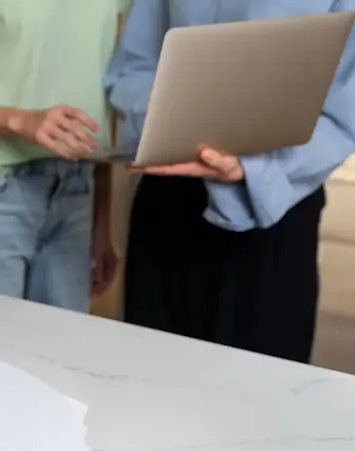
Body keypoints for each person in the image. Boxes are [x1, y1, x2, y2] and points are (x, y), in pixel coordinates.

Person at [105, 1, 355, 363]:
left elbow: (347, 102)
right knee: (150, 380)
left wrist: (256, 167)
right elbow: (135, 65)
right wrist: (173, 124)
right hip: (168, 194)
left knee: (258, 394)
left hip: (271, 207)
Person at [0, 0, 132, 311]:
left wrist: (102, 221)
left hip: (76, 193)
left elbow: (101, 101)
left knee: (58, 355)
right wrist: (19, 120)